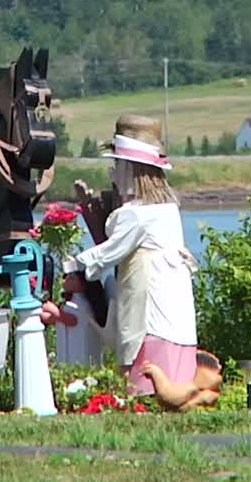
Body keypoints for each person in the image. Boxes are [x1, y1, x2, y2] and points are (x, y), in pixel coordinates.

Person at [67, 114, 200, 399]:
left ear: (130, 170)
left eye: (118, 165)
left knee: (145, 337)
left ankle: (143, 396)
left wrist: (75, 263)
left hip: (149, 295)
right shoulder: (167, 209)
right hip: (174, 293)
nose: (114, 173)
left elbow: (110, 251)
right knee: (174, 336)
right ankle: (175, 394)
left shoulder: (135, 215)